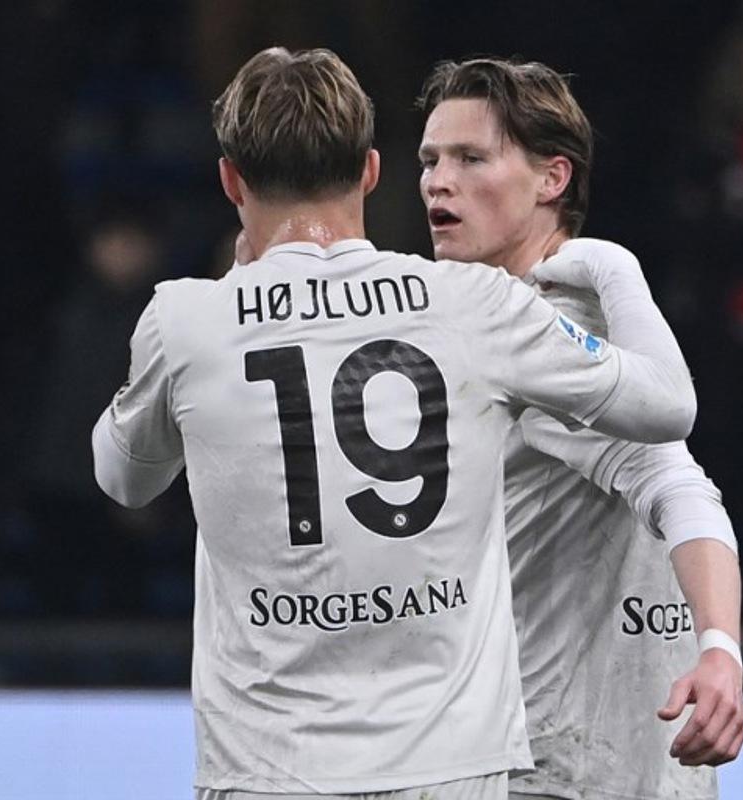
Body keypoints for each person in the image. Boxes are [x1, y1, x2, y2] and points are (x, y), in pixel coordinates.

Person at [92, 47, 696, 799]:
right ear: (372, 171)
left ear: (231, 180)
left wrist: (233, 297)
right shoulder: (470, 303)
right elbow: (668, 403)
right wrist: (615, 269)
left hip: (267, 764)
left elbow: (123, 478)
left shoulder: (184, 319)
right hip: (446, 765)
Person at [415, 57, 743, 800]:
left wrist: (720, 650)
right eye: (430, 160)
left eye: (471, 158)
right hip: (598, 760)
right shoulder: (493, 321)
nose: (439, 181)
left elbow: (677, 487)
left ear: (551, 178)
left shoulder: (555, 330)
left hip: (560, 771)